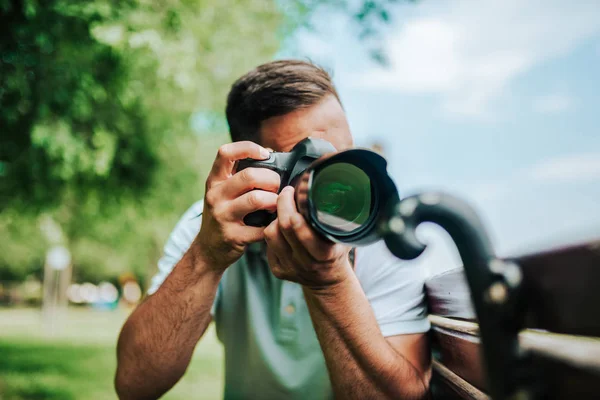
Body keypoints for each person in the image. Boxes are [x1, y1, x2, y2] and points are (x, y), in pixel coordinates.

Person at [115, 60, 431, 400]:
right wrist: (206, 256)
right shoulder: (215, 226)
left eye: (343, 157)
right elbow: (135, 384)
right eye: (307, 164)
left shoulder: (382, 229)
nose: (338, 183)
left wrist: (329, 283)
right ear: (250, 171)